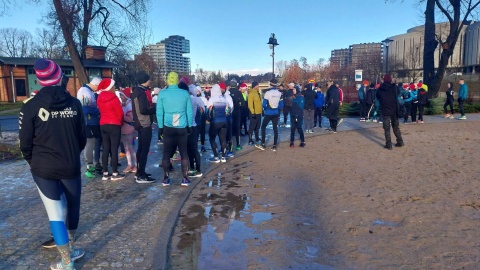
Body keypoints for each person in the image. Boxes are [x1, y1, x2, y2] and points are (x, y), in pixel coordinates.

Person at [20, 59, 86, 270]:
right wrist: (71, 154)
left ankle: (67, 262)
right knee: (73, 207)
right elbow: (81, 138)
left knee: (55, 213)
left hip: (43, 168)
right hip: (69, 165)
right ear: (59, 77)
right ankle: (71, 251)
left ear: (39, 80)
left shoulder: (30, 106)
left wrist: (34, 163)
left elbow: (25, 143)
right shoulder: (75, 104)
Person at [157, 72, 194, 187]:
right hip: (182, 126)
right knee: (183, 152)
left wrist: (160, 127)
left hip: (168, 126)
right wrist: (189, 126)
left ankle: (166, 178)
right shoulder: (185, 93)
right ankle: (185, 178)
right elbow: (189, 111)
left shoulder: (162, 94)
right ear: (178, 81)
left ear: (168, 81)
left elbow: (159, 112)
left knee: (167, 152)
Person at [97, 78, 124, 181]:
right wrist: (120, 122)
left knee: (105, 148)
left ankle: (105, 173)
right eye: (113, 86)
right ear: (110, 87)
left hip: (103, 124)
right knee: (114, 149)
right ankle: (115, 173)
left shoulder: (99, 97)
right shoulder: (113, 97)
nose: (114, 88)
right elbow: (120, 112)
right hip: (114, 124)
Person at [131, 71, 156, 183]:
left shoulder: (136, 90)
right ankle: (141, 175)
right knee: (144, 149)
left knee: (141, 148)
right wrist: (155, 109)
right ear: (145, 81)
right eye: (149, 79)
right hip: (144, 123)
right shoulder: (141, 92)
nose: (150, 81)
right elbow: (143, 110)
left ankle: (140, 172)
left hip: (138, 122)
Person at [76, 77, 102, 178]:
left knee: (92, 143)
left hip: (91, 121)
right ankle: (89, 167)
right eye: (98, 87)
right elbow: (85, 109)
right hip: (88, 122)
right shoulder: (85, 91)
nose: (98, 90)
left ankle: (90, 166)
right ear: (95, 84)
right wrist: (98, 111)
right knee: (89, 144)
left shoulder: (88, 91)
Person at [376, 74, 404, 149]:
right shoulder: (395, 87)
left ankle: (388, 144)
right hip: (394, 110)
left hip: (385, 110)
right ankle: (400, 141)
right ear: (390, 80)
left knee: (386, 128)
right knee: (396, 127)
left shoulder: (380, 88)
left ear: (384, 80)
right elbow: (398, 92)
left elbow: (378, 96)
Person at [207, 83, 233, 163]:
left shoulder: (212, 99)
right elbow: (228, 111)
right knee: (223, 139)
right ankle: (223, 157)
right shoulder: (224, 99)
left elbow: (209, 111)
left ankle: (216, 157)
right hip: (224, 121)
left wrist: (208, 119)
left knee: (212, 139)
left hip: (215, 122)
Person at [256, 78, 284, 152]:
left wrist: (266, 109)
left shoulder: (267, 93)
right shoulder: (279, 93)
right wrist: (277, 109)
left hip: (268, 113)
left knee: (263, 127)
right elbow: (281, 104)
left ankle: (263, 144)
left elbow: (264, 104)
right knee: (275, 128)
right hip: (276, 113)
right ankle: (274, 146)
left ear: (270, 84)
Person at [117, 91, 137, 174]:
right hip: (123, 129)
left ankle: (135, 165)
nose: (120, 97)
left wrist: (121, 116)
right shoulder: (123, 104)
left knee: (131, 148)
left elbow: (130, 118)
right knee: (126, 148)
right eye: (120, 95)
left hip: (129, 128)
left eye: (121, 95)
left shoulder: (130, 104)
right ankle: (129, 165)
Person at [187, 84, 204, 178]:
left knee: (188, 149)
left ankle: (191, 167)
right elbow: (203, 110)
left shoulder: (185, 99)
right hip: (194, 125)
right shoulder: (197, 99)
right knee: (194, 148)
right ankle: (198, 169)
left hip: (185, 126)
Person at [229, 79, 244, 151]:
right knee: (237, 128)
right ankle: (238, 145)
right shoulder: (238, 92)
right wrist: (239, 107)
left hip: (229, 112)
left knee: (230, 128)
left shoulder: (227, 92)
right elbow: (243, 103)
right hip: (237, 112)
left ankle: (230, 146)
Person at [247, 81, 262, 145]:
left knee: (257, 126)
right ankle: (250, 139)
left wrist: (262, 111)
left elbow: (260, 103)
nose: (258, 86)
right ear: (255, 86)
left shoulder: (258, 93)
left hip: (259, 112)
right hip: (254, 113)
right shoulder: (251, 94)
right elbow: (250, 104)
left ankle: (257, 137)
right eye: (257, 85)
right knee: (252, 126)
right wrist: (252, 113)